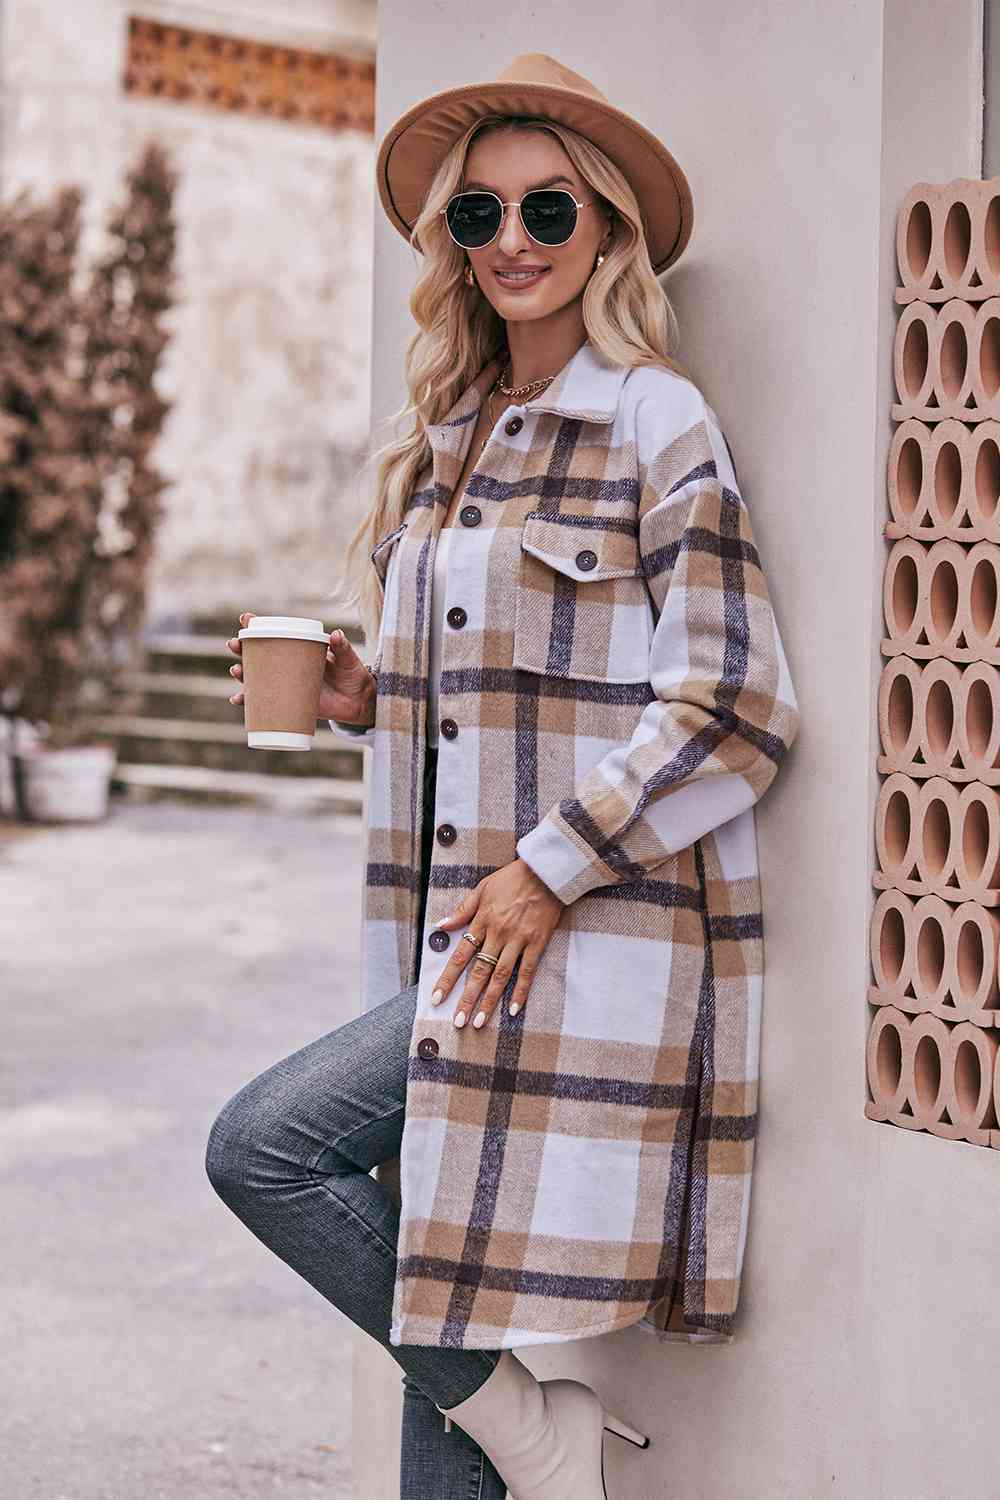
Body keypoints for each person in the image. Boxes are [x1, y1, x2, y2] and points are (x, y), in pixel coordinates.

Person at [206, 52, 801, 1500]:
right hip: (460, 939)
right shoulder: (449, 438)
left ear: (605, 231)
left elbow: (737, 704)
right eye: (479, 214)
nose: (515, 240)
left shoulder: (655, 420)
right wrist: (368, 701)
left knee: (263, 1151)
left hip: (571, 936)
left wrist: (549, 868)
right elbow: (496, 705)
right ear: (452, 244)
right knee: (440, 1286)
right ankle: (531, 1432)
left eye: (549, 208)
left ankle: (539, 1429)